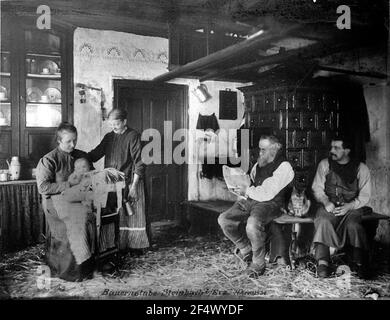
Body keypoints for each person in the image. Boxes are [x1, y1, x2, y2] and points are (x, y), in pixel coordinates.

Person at [218, 135, 295, 277]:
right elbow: (252, 182)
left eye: (263, 149)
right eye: (259, 149)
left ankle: (258, 264)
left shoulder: (284, 166)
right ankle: (245, 249)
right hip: (252, 199)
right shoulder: (259, 164)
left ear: (275, 149)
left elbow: (268, 192)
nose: (260, 153)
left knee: (252, 224)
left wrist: (246, 190)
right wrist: (238, 184)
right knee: (224, 219)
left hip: (271, 203)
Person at [36, 122, 95, 281]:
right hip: (54, 204)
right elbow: (43, 187)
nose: (73, 144)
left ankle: (84, 267)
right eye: (68, 141)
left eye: (75, 140)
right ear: (59, 141)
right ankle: (69, 272)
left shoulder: (81, 156)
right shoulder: (49, 160)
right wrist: (69, 184)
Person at [88, 108, 150, 252]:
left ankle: (135, 246)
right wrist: (78, 157)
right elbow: (95, 154)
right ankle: (117, 244)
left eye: (116, 124)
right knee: (115, 213)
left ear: (124, 122)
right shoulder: (109, 137)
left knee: (132, 214)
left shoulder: (133, 136)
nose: (113, 127)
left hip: (131, 180)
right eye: (111, 124)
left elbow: (139, 162)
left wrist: (134, 186)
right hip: (112, 182)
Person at [311, 134, 372, 279]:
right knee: (322, 221)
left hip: (351, 208)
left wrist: (350, 206)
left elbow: (364, 196)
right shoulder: (324, 164)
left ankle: (358, 263)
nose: (332, 150)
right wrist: (326, 202)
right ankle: (323, 263)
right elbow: (317, 188)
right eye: (332, 147)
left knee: (353, 225)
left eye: (336, 148)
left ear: (347, 150)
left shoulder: (361, 168)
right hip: (329, 206)